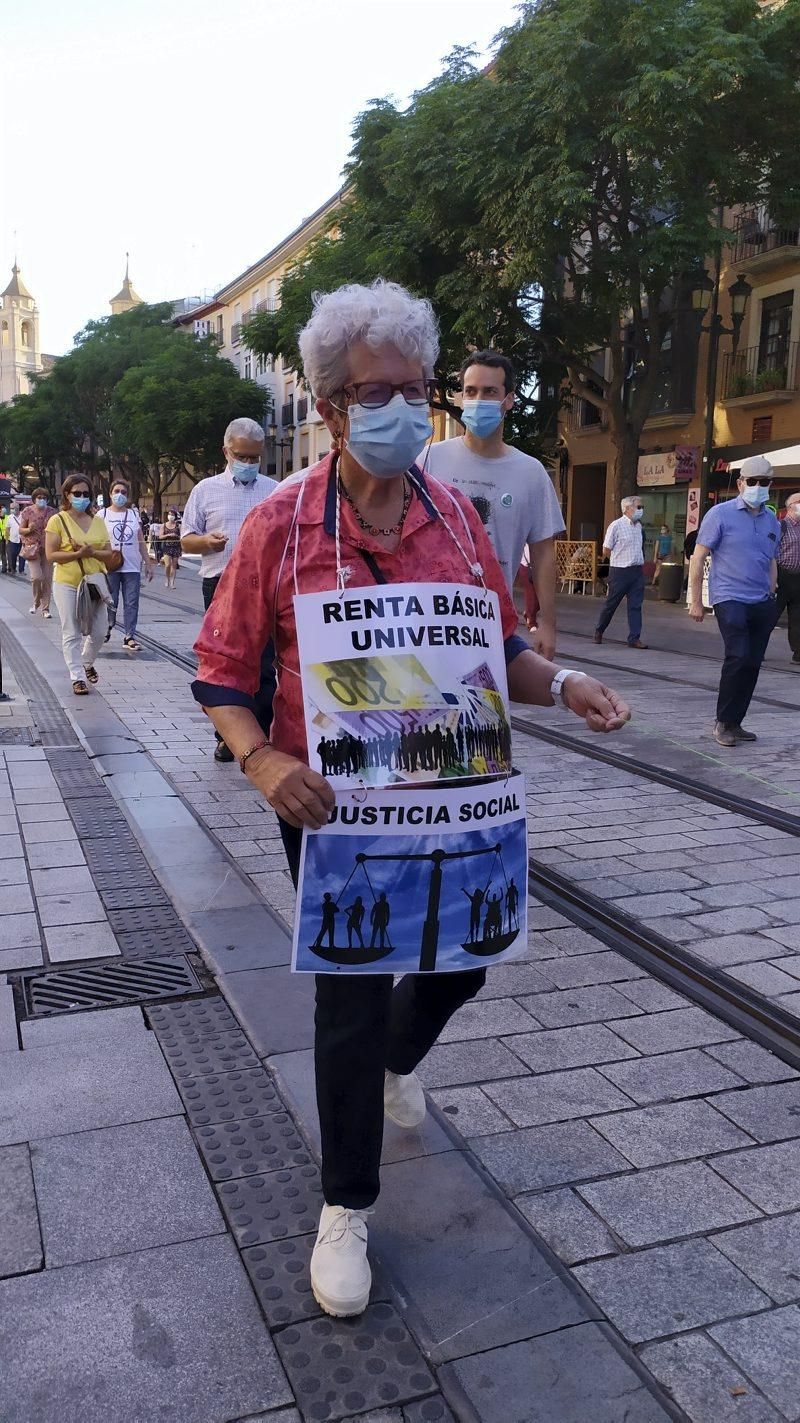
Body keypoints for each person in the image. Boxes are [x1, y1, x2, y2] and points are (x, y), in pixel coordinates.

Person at [190, 278, 631, 1322]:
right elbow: (218, 668)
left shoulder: (452, 518)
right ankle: (345, 1202)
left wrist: (563, 684)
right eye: (373, 390)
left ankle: (398, 1054)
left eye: (413, 388)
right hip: (329, 808)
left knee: (467, 958)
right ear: (331, 404)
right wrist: (261, 764)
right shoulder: (280, 525)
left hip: (454, 801)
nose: (399, 407)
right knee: (347, 992)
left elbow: (503, 650)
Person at [423, 350, 565, 659]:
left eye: (490, 392)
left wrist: (548, 624)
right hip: (428, 622)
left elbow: (542, 555)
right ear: (460, 396)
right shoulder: (428, 461)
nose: (478, 400)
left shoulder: (531, 473)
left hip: (492, 625)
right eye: (471, 391)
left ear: (509, 399)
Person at [181, 416, 278, 762]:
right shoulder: (205, 491)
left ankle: (261, 734)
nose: (249, 464)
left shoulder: (275, 490)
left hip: (264, 587)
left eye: (255, 457)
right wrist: (206, 541)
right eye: (242, 456)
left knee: (266, 664)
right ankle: (226, 737)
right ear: (227, 451)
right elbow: (186, 540)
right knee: (224, 664)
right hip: (220, 584)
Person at [688, 455, 780, 746]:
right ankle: (722, 723)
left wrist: (772, 589)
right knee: (738, 655)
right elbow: (699, 555)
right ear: (741, 483)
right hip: (729, 596)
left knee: (752, 662)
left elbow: (772, 559)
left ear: (769, 484)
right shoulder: (720, 514)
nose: (757, 487)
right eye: (752, 481)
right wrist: (695, 600)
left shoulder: (771, 521)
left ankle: (736, 722)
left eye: (763, 482)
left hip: (761, 600)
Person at [45, 475, 115, 695]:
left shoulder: (98, 521)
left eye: (86, 494)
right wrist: (77, 553)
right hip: (67, 581)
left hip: (94, 582)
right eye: (77, 493)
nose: (82, 498)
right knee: (72, 631)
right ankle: (77, 677)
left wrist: (92, 552)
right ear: (67, 494)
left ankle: (87, 662)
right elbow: (50, 554)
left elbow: (108, 552)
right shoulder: (58, 520)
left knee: (100, 630)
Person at [101, 477, 154, 651]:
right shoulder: (102, 515)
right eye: (116, 491)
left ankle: (129, 635)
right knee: (111, 600)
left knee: (131, 602)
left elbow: (140, 542)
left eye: (123, 492)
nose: (120, 495)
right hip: (110, 565)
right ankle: (107, 627)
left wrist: (148, 563)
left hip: (132, 565)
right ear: (110, 494)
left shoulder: (133, 514)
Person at [594, 496, 647, 648]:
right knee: (612, 603)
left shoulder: (638, 527)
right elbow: (606, 549)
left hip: (636, 571)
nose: (641, 510)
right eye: (638, 507)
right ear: (628, 509)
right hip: (620, 571)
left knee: (636, 605)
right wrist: (617, 559)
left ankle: (634, 638)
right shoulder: (616, 526)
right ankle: (599, 630)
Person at [20, 489, 55, 617]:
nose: (41, 499)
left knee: (46, 579)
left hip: (48, 548)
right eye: (39, 497)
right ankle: (35, 602)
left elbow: (57, 530)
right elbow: (21, 530)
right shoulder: (27, 511)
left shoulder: (52, 512)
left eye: (44, 497)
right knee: (36, 577)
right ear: (34, 498)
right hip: (32, 549)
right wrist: (29, 528)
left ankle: (46, 609)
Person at [775, 491, 800, 664]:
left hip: (798, 578)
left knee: (798, 617)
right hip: (782, 575)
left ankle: (798, 652)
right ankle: (757, 648)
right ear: (790, 507)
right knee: (771, 615)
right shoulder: (780, 526)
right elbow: (772, 552)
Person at [159, 508, 181, 588]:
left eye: (172, 515)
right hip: (166, 547)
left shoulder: (178, 525)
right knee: (167, 565)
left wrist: (177, 536)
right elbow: (160, 536)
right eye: (169, 514)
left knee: (174, 565)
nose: (170, 516)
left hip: (176, 547)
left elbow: (182, 536)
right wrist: (168, 535)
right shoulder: (163, 525)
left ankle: (172, 582)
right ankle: (167, 579)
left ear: (175, 516)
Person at [6, 504, 23, 576]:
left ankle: (21, 570)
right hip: (13, 539)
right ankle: (13, 568)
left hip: (22, 539)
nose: (11, 509)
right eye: (11, 508)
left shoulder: (23, 515)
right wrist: (7, 538)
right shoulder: (10, 517)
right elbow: (7, 529)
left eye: (13, 508)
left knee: (22, 555)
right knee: (13, 554)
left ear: (18, 508)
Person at [0, 504, 7, 574]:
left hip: (6, 538)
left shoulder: (8, 517)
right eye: (1, 508)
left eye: (3, 508)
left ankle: (4, 567)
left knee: (4, 553)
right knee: (2, 553)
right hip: (0, 538)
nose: (3, 509)